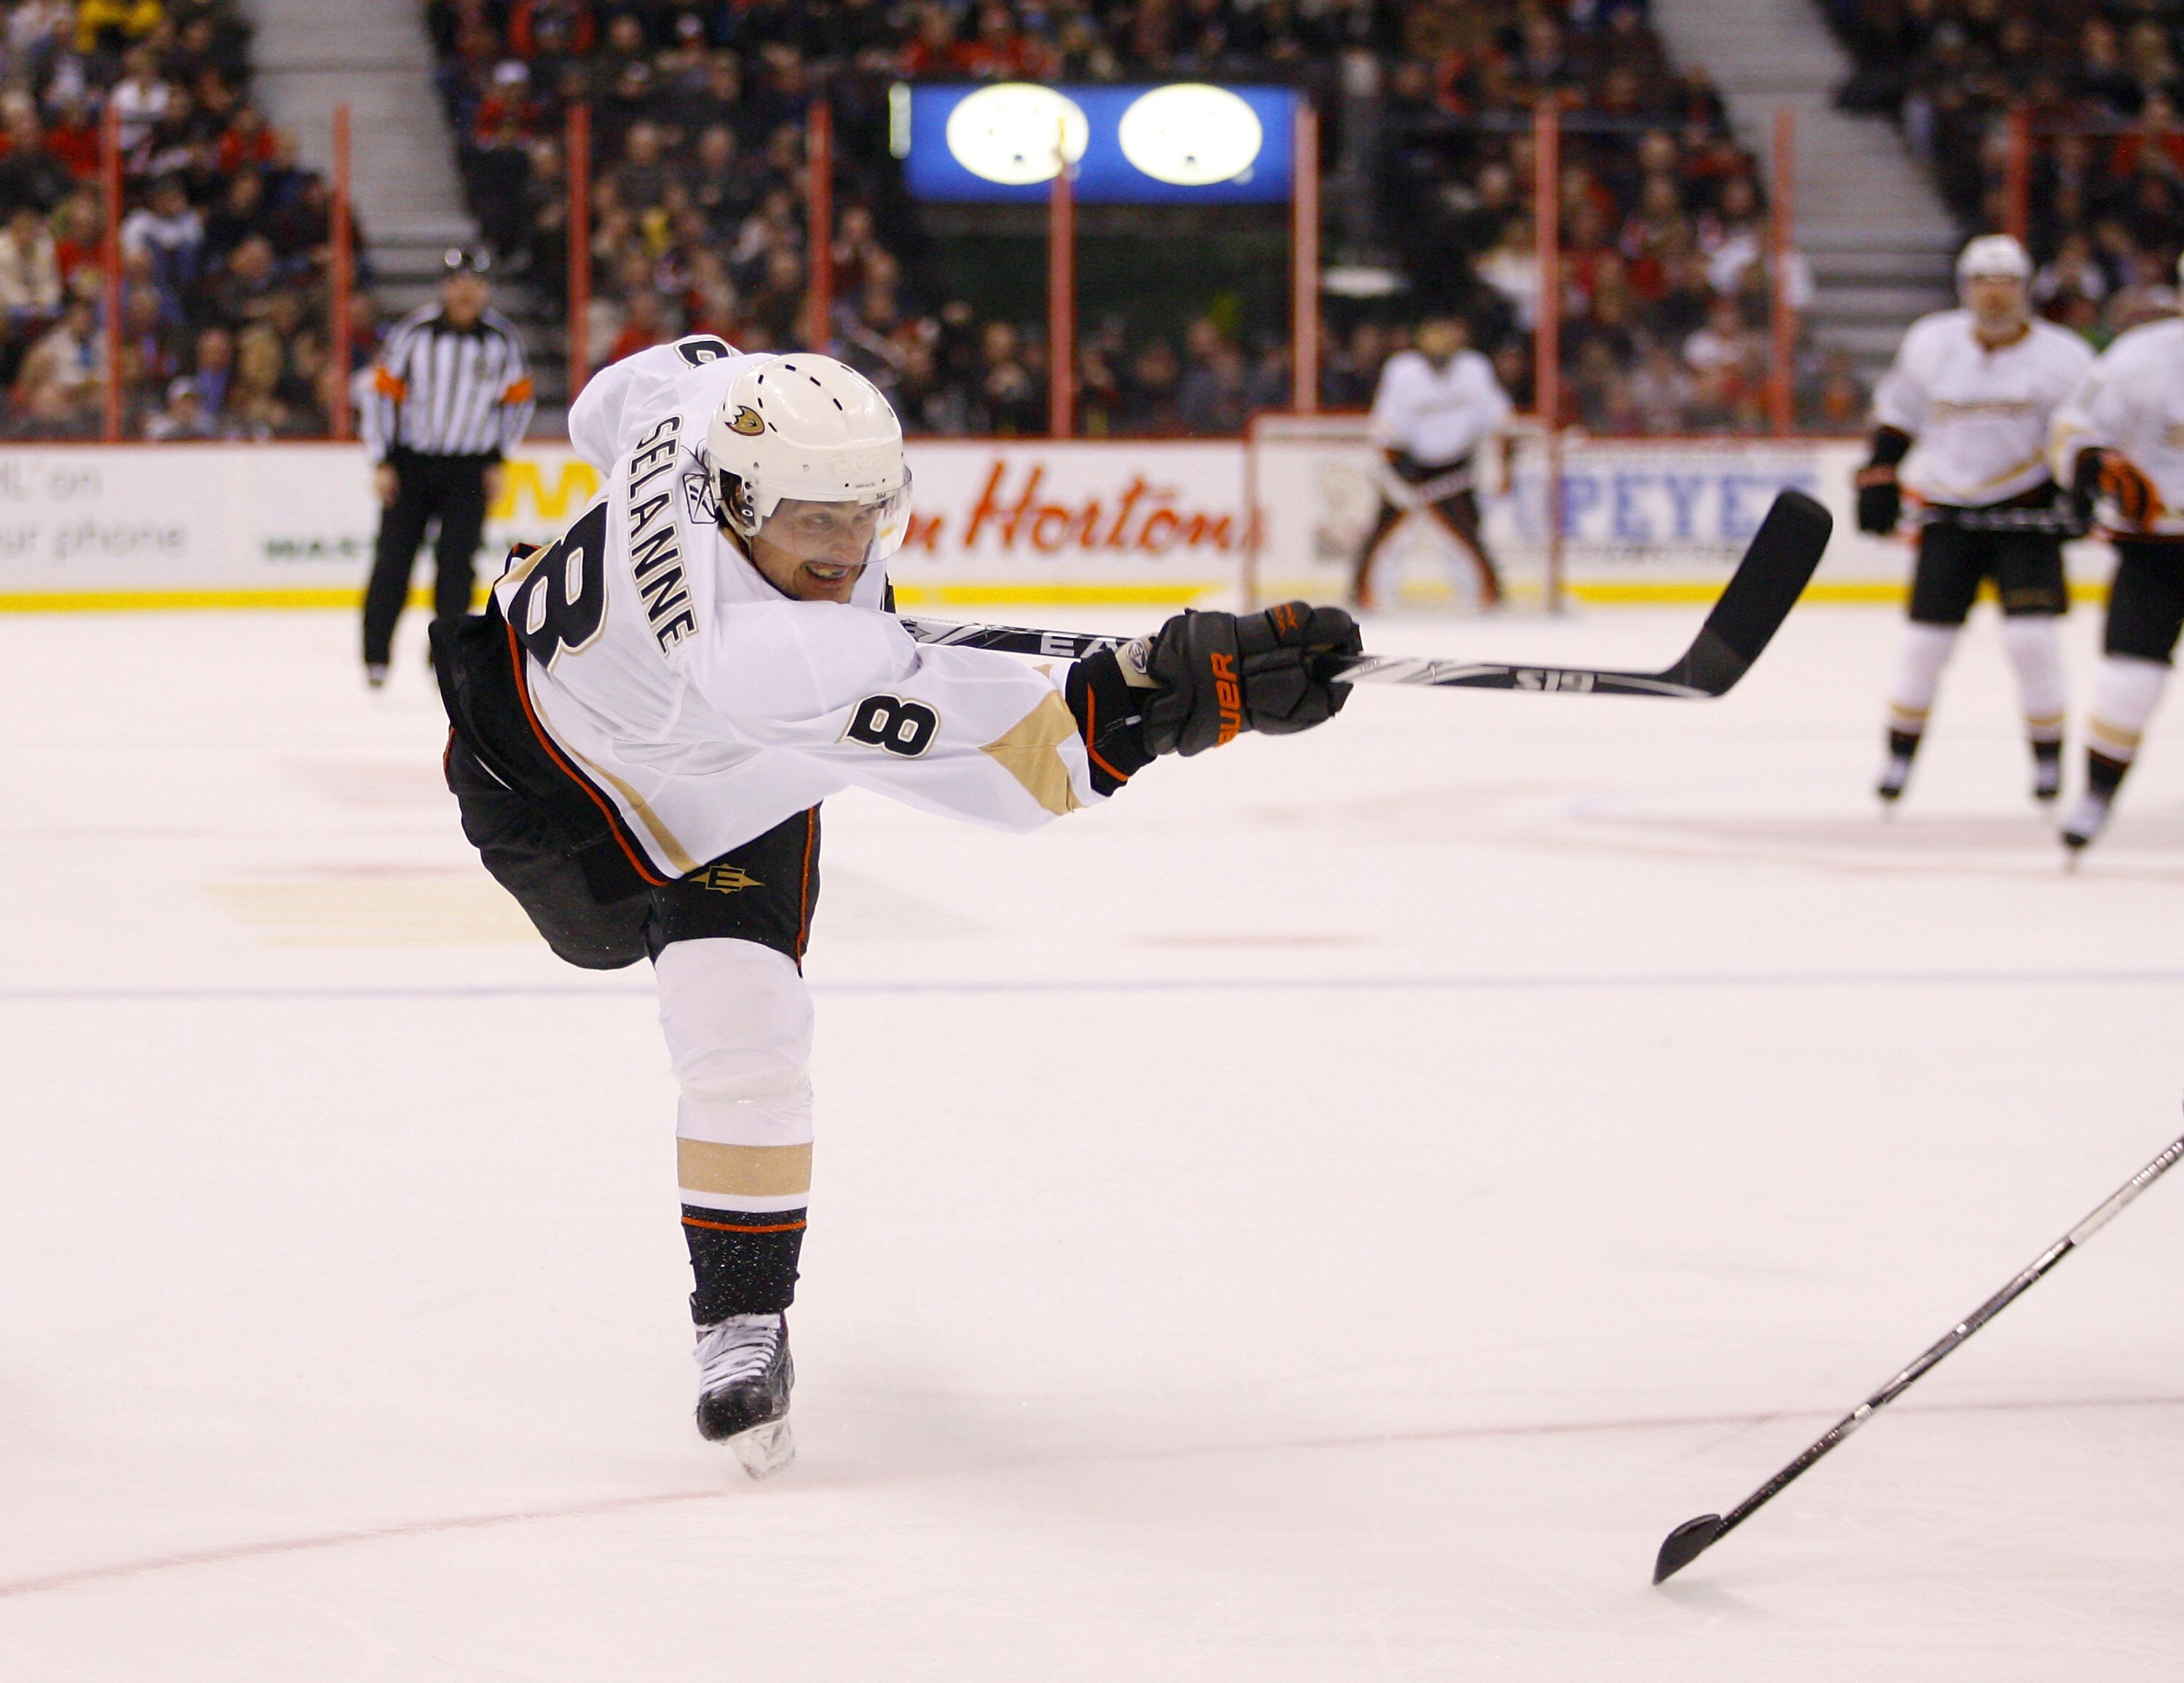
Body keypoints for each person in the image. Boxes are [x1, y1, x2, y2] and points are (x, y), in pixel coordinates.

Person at [431, 336, 1359, 1475]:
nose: (847, 548)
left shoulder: (712, 395)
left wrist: (1164, 687)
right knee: (604, 945)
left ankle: (740, 1323)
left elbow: (605, 404)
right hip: (553, 797)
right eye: (813, 522)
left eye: (865, 513)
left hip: (719, 774)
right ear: (732, 501)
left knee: (745, 1031)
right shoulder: (770, 659)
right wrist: (1180, 701)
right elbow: (1038, 770)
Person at [1856, 235, 2094, 806]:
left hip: (2026, 510)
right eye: (1984, 282)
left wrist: (2083, 490)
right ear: (1965, 289)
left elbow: (2085, 433)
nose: (1995, 294)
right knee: (1924, 646)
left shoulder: (2065, 357)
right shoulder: (1931, 344)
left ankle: (2046, 761)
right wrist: (1879, 475)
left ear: (2025, 288)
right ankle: (1898, 757)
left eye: (2007, 282)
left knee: (2031, 641)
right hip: (1949, 512)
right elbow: (1899, 414)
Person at [2046, 261, 2184, 854]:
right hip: (2154, 551)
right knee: (2129, 682)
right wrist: (2088, 470)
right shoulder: (2140, 356)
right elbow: (2074, 425)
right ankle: (2098, 794)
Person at [357, 248, 534, 688]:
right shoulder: (414, 333)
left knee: (457, 567)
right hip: (412, 464)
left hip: (468, 470)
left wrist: (497, 456)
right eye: (458, 281)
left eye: (475, 281)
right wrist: (382, 458)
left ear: (485, 289)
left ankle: (446, 658)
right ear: (445, 287)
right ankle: (376, 657)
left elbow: (518, 402)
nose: (466, 290)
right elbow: (382, 396)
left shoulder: (501, 340)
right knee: (393, 562)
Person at [1350, 314, 1512, 611]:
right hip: (1410, 466)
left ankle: (1489, 596)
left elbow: (1498, 421)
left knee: (1469, 535)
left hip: (1456, 466)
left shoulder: (1474, 369)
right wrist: (1393, 479)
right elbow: (1386, 431)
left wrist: (1499, 466)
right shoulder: (1403, 371)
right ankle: (1362, 594)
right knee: (1383, 533)